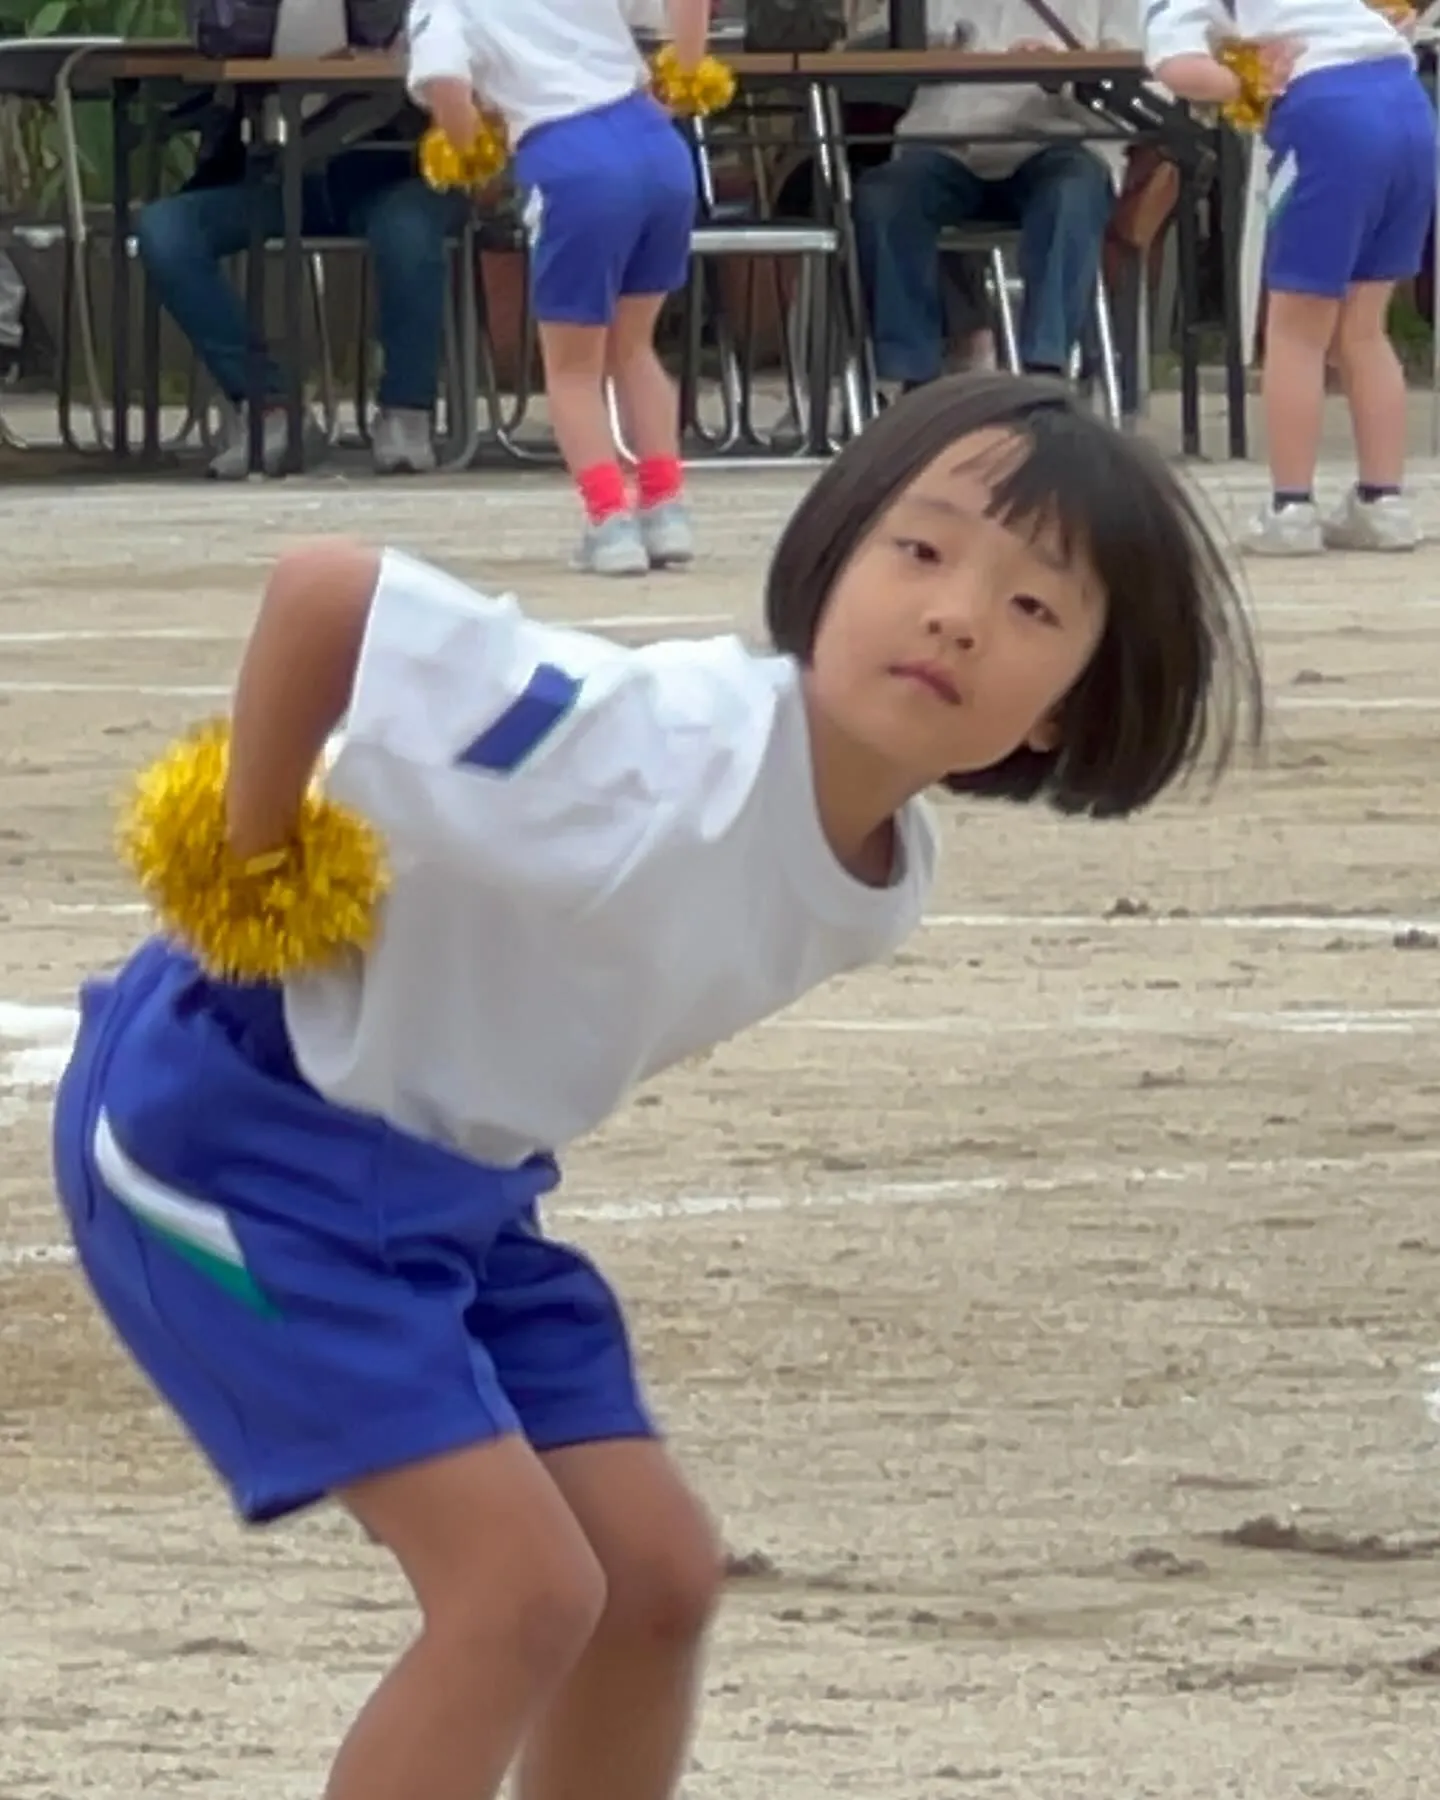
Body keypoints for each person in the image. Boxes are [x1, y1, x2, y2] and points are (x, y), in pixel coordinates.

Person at [51, 374, 1262, 1800]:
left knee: (656, 1577)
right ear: (831, 559)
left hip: (447, 1182)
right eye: (920, 551)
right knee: (519, 1594)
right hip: (228, 1129)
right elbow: (326, 593)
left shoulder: (882, 880)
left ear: (1064, 713)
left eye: (1034, 610)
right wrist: (243, 873)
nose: (956, 613)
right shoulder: (650, 739)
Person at [406, 0, 707, 575]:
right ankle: (666, 507)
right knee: (634, 345)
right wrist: (685, 74)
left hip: (568, 154)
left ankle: (609, 519)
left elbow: (447, 87)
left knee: (572, 367)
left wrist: (474, 153)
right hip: (655, 144)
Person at [1146, 0, 1431, 554]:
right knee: (1365, 327)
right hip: (1407, 105)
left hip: (1324, 114)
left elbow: (1177, 65)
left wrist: (1239, 84)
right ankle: (1383, 500)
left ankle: (1291, 507)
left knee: (1296, 327)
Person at [135, 103, 469, 479]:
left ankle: (407, 411)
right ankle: (268, 408)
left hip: (402, 175)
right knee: (166, 229)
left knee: (408, 235)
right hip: (274, 178)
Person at [852, 0, 1132, 396]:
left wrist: (1068, 68)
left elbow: (1139, 75)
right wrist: (926, 47)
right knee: (884, 195)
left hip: (1058, 140)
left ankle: (1045, 371)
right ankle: (913, 377)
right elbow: (870, 43)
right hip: (947, 143)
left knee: (1072, 192)